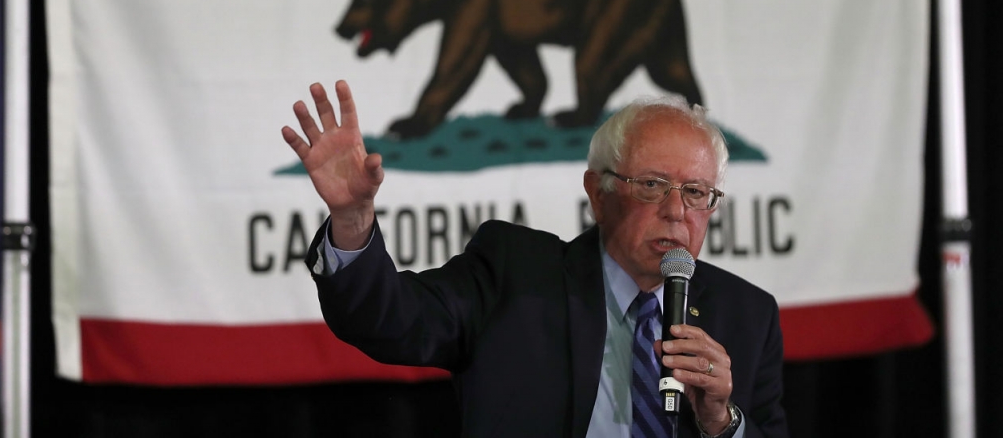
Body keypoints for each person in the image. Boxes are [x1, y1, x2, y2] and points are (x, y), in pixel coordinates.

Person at [282, 80, 789, 437]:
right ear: (600, 193)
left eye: (697, 192)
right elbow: (389, 320)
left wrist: (723, 423)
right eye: (653, 185)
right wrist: (351, 220)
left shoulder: (747, 315)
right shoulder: (515, 274)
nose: (677, 211)